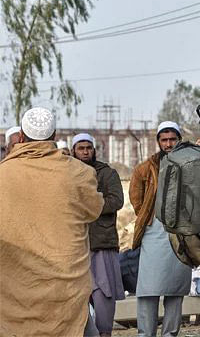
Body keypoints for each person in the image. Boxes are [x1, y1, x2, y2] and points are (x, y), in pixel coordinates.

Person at [0, 107, 104, 336]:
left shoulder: (3, 174)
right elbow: (94, 209)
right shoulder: (78, 173)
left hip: (16, 293)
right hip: (66, 291)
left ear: (20, 138)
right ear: (54, 136)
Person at [130, 121, 192, 337]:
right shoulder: (145, 168)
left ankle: (170, 334)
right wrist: (149, 217)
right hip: (153, 233)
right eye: (164, 140)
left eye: (172, 139)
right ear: (158, 142)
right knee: (148, 289)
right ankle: (145, 333)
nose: (168, 144)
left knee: (175, 291)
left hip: (181, 233)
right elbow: (136, 200)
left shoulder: (190, 163)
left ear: (179, 140)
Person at [72, 133, 126, 337]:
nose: (85, 151)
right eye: (81, 148)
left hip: (102, 242)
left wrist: (90, 205)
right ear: (73, 150)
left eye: (88, 148)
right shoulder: (68, 173)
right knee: (76, 294)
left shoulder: (107, 173)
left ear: (94, 150)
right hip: (75, 244)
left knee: (103, 294)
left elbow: (116, 201)